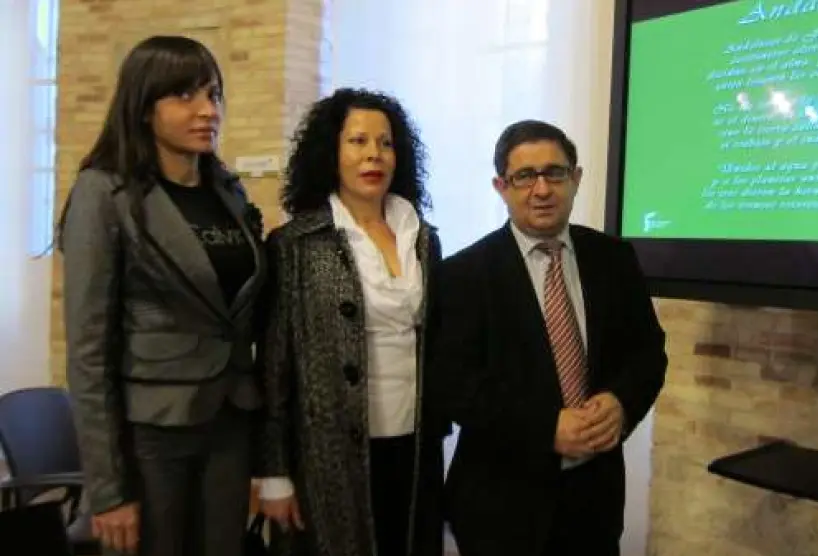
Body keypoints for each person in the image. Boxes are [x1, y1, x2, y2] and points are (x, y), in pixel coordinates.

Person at [58, 36, 266, 556]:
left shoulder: (227, 191)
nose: (207, 110)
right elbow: (88, 351)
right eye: (185, 96)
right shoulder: (104, 193)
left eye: (213, 95)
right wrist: (107, 490)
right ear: (144, 107)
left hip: (229, 418)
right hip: (152, 429)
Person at [432, 119, 668, 556]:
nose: (541, 190)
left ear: (576, 178)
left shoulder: (614, 259)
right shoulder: (463, 274)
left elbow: (648, 355)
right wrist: (546, 429)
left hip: (593, 503)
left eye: (554, 173)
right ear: (501, 187)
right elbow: (454, 385)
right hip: (500, 509)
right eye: (525, 176)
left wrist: (621, 402)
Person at [256, 88, 446, 556]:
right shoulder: (296, 244)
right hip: (328, 453)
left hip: (414, 445)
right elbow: (274, 366)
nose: (373, 154)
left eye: (385, 143)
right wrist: (274, 472)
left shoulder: (423, 239)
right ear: (331, 152)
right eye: (357, 141)